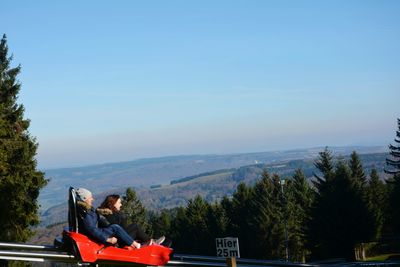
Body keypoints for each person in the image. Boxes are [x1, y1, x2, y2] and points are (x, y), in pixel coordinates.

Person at [75, 188, 141, 249]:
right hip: (96, 235)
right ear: (84, 198)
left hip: (97, 232)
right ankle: (136, 245)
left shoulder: (85, 209)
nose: (92, 199)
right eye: (90, 198)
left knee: (115, 227)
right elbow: (92, 230)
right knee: (116, 227)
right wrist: (108, 239)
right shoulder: (86, 213)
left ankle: (133, 244)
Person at [97, 194, 165, 246]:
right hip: (118, 241)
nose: (121, 204)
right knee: (135, 227)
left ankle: (149, 241)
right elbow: (120, 230)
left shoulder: (108, 214)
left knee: (134, 227)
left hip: (118, 238)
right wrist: (122, 218)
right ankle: (152, 242)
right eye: (119, 202)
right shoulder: (110, 215)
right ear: (114, 204)